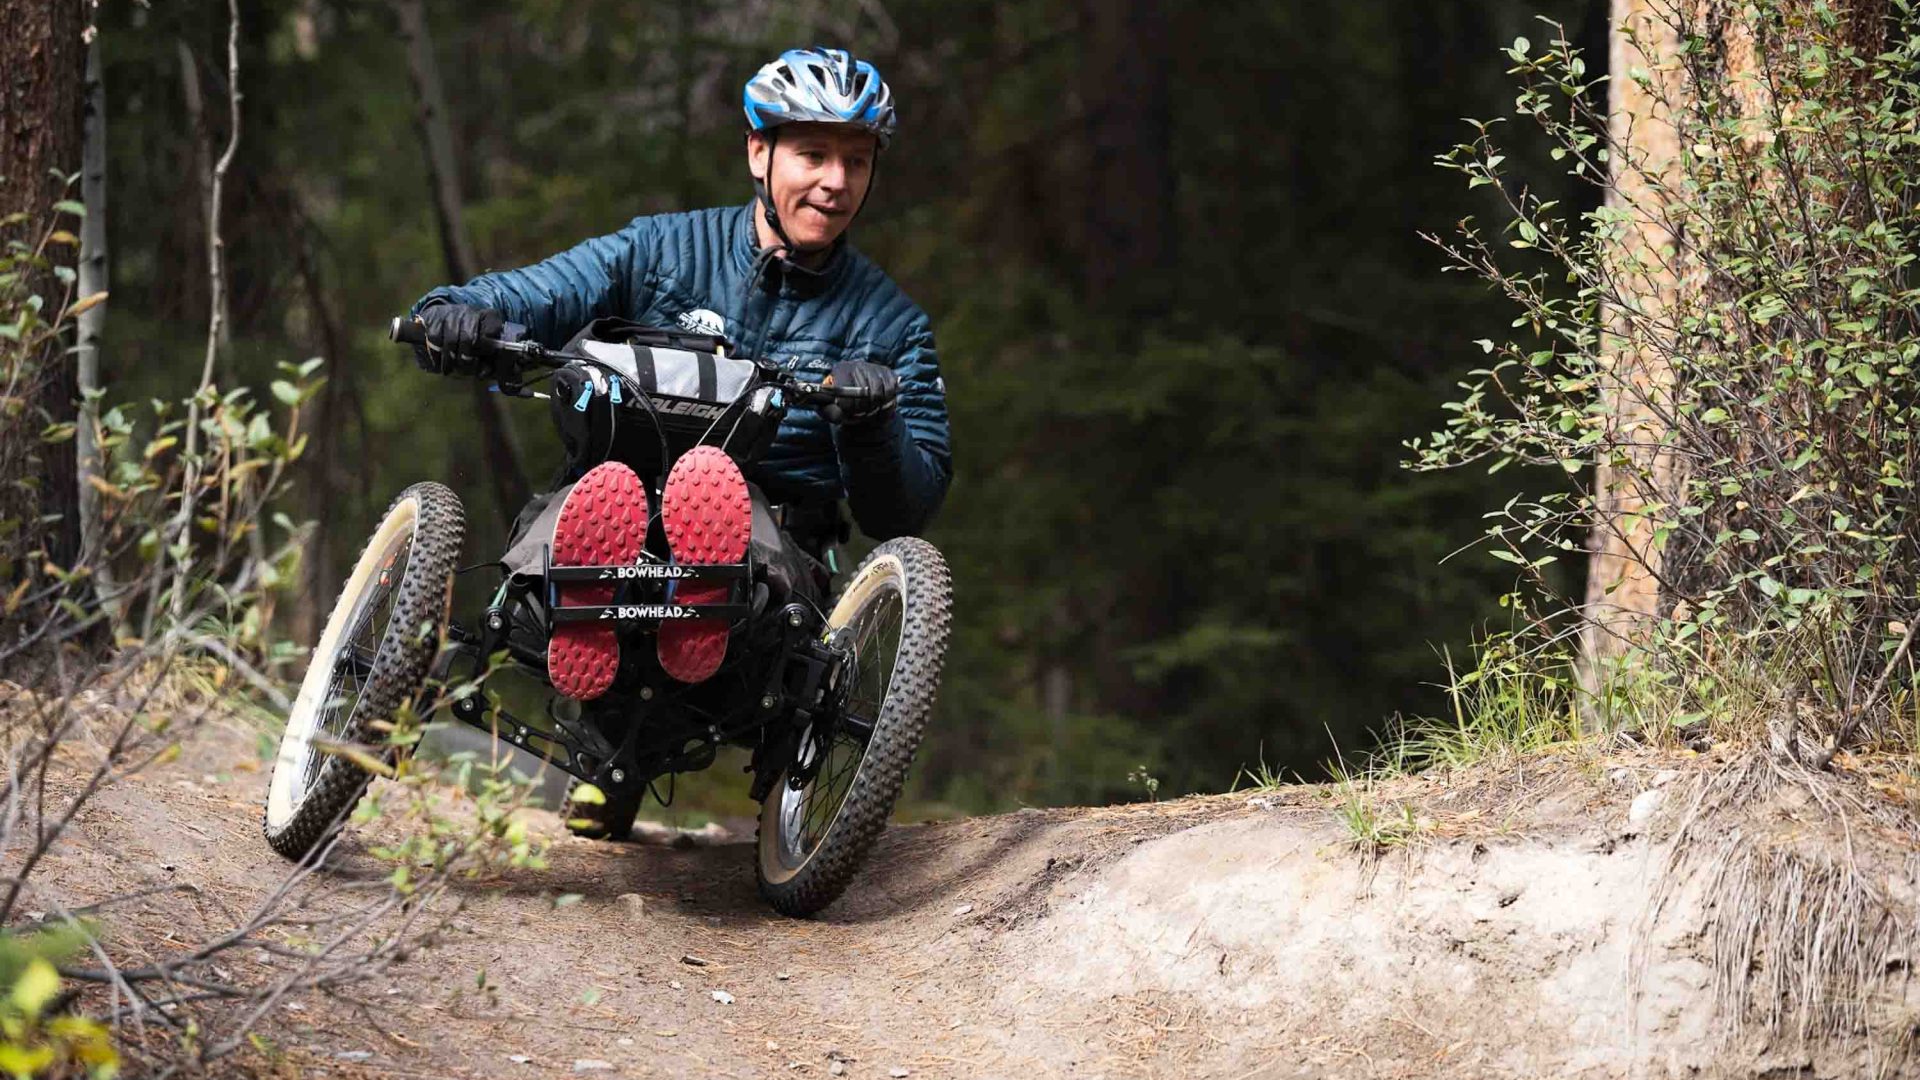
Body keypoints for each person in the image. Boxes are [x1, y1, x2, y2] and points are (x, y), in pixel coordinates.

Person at [404, 47, 951, 699]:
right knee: (602, 493)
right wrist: (456, 313)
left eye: (855, 161)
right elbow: (542, 291)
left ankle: (702, 589)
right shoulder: (662, 251)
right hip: (616, 491)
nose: (837, 180)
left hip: (772, 568)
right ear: (758, 153)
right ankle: (591, 585)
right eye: (813, 155)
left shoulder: (891, 326)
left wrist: (874, 421)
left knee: (734, 511)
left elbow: (905, 509)